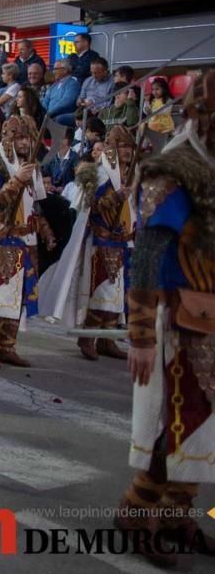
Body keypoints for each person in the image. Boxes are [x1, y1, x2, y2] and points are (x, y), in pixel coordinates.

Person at [116, 72, 215, 568]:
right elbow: (149, 253)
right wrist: (140, 335)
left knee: (206, 425)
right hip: (176, 319)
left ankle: (178, 511)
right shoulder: (172, 169)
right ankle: (138, 511)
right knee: (173, 421)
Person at [0, 116, 57, 369]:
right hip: (4, 240)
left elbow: (36, 206)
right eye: (19, 137)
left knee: (20, 297)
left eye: (28, 138)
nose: (24, 142)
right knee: (1, 296)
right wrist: (17, 179)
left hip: (27, 239)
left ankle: (7, 347)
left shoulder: (32, 167)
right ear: (9, 139)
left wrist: (47, 231)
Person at [52, 125, 136, 361]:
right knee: (102, 292)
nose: (128, 151)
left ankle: (107, 340)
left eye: (130, 146)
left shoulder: (130, 173)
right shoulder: (101, 173)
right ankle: (88, 338)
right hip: (102, 239)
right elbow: (93, 205)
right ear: (113, 148)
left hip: (123, 241)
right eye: (123, 146)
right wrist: (116, 197)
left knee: (117, 295)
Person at [44, 59, 81, 127]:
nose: (53, 71)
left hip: (62, 114)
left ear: (65, 70)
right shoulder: (53, 86)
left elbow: (67, 101)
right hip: (49, 115)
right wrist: (43, 111)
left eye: (56, 69)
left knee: (57, 120)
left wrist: (50, 112)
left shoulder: (72, 84)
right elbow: (46, 100)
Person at [76, 57, 115, 122]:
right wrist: (80, 101)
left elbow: (110, 104)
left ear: (105, 71)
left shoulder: (112, 83)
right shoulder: (88, 80)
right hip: (84, 111)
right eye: (92, 72)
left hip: (100, 113)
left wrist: (94, 104)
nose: (94, 76)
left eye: (96, 73)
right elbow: (80, 98)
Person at [45, 126, 79, 194]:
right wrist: (49, 185)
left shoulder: (75, 158)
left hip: (67, 193)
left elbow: (77, 179)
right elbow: (45, 172)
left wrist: (65, 188)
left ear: (69, 140)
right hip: (50, 191)